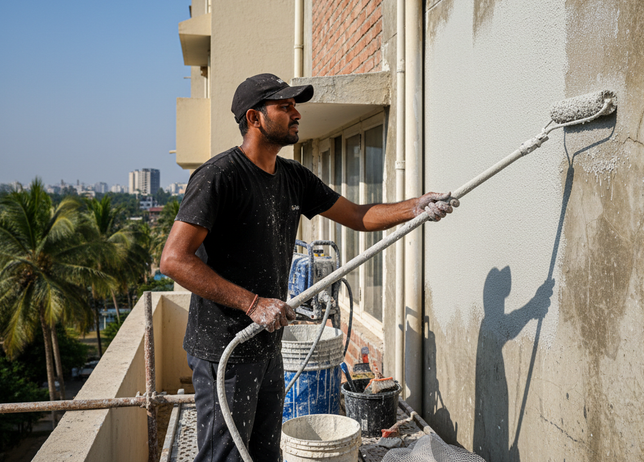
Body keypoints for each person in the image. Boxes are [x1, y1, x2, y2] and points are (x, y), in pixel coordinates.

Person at [161, 73, 456, 462]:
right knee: (225, 456)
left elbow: (357, 214)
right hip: (224, 350)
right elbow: (173, 259)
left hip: (266, 344)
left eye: (294, 105)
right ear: (254, 118)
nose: (296, 114)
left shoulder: (293, 178)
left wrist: (414, 207)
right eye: (284, 107)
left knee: (266, 452)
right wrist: (253, 304)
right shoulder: (219, 177)